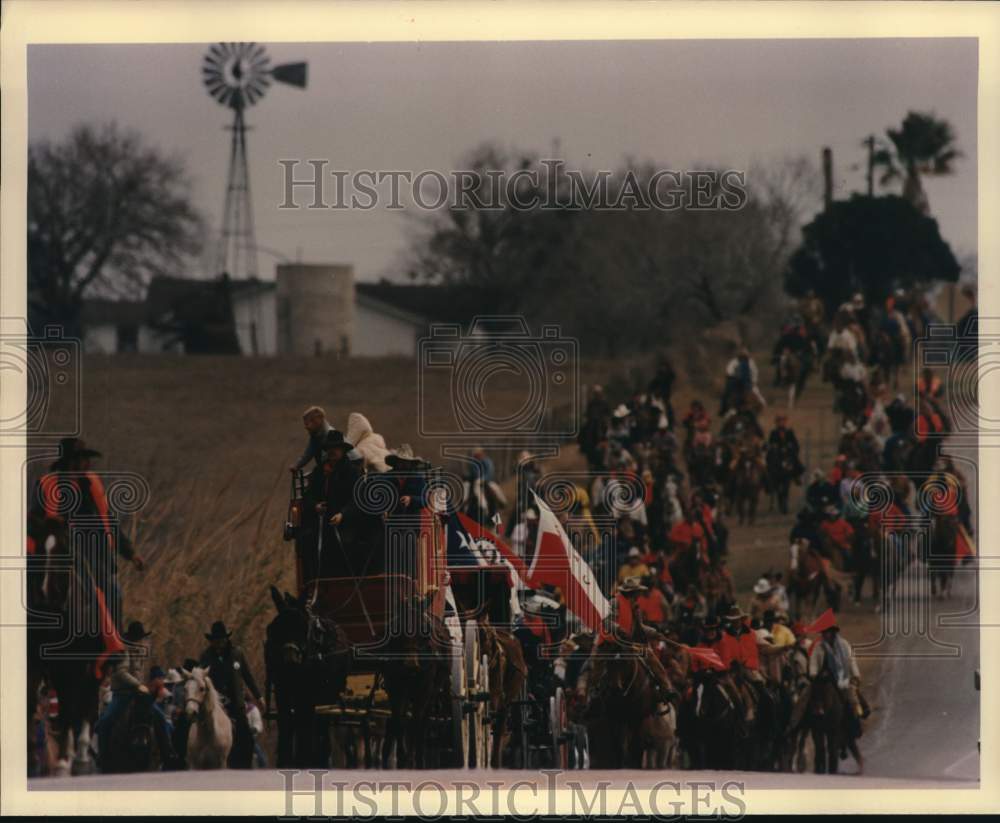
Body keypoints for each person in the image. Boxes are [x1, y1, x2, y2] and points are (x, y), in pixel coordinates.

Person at [37, 437, 145, 631]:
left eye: (86, 459)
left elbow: (108, 521)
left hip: (96, 557)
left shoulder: (91, 485)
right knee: (89, 601)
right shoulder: (51, 485)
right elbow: (35, 523)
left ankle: (114, 645)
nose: (86, 463)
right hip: (66, 558)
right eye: (81, 459)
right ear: (70, 462)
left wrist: (130, 553)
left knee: (114, 595)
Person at [95, 621, 178, 770]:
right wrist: (138, 685)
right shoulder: (123, 651)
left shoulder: (140, 652)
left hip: (139, 695)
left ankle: (168, 753)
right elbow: (121, 673)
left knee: (160, 718)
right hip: (122, 695)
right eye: (138, 638)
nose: (140, 641)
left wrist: (143, 686)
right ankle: (103, 756)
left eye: (141, 638)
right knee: (105, 722)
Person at [199, 620, 262, 769]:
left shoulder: (237, 653)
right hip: (216, 704)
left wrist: (259, 697)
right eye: (216, 640)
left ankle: (245, 767)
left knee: (246, 737)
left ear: (226, 638)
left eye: (221, 639)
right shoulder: (206, 656)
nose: (219, 643)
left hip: (236, 703)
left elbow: (248, 676)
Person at [807, 621, 870, 738]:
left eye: (828, 632)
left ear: (833, 632)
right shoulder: (818, 646)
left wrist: (855, 675)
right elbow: (814, 662)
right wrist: (813, 673)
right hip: (824, 677)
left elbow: (851, 661)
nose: (826, 634)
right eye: (824, 632)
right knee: (810, 696)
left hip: (842, 676)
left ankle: (856, 723)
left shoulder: (844, 644)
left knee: (852, 698)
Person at [290, 406, 333, 473]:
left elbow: (329, 458)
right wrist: (297, 465)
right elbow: (308, 454)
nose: (306, 427)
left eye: (307, 424)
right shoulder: (316, 435)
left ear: (316, 421)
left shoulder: (329, 434)